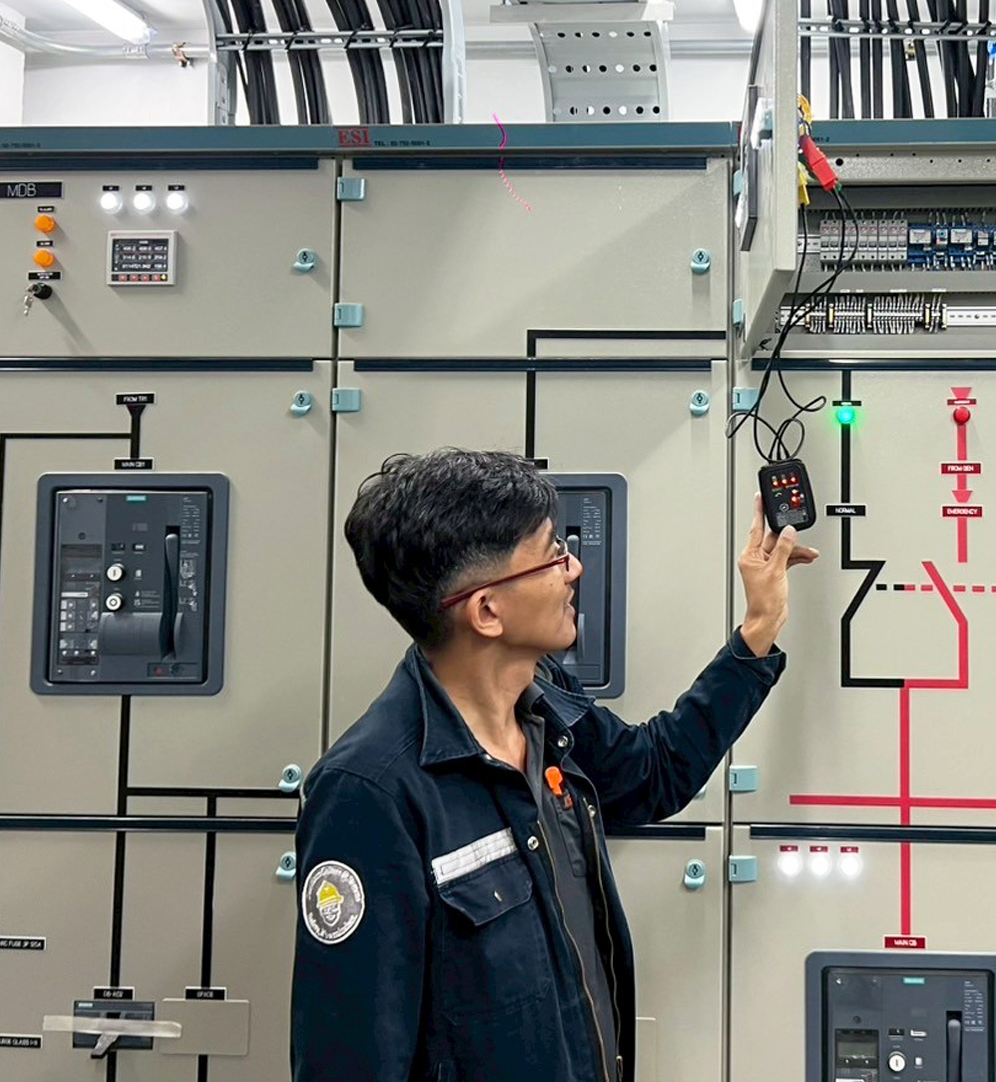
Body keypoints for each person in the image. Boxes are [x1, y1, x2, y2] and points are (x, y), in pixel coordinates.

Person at [290, 448, 817, 1082]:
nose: (576, 568)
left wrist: (760, 626)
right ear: (487, 611)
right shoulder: (370, 794)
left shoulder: (544, 706)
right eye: (552, 556)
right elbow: (350, 1062)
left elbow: (655, 773)